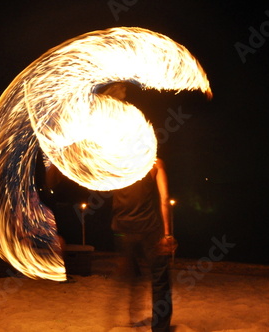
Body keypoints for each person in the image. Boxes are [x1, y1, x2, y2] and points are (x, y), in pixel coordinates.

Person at [101, 82, 177, 331]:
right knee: (159, 281)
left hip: (122, 229)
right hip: (149, 230)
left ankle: (130, 319)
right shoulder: (156, 163)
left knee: (130, 277)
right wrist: (167, 234)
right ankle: (160, 327)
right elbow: (165, 200)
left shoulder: (118, 163)